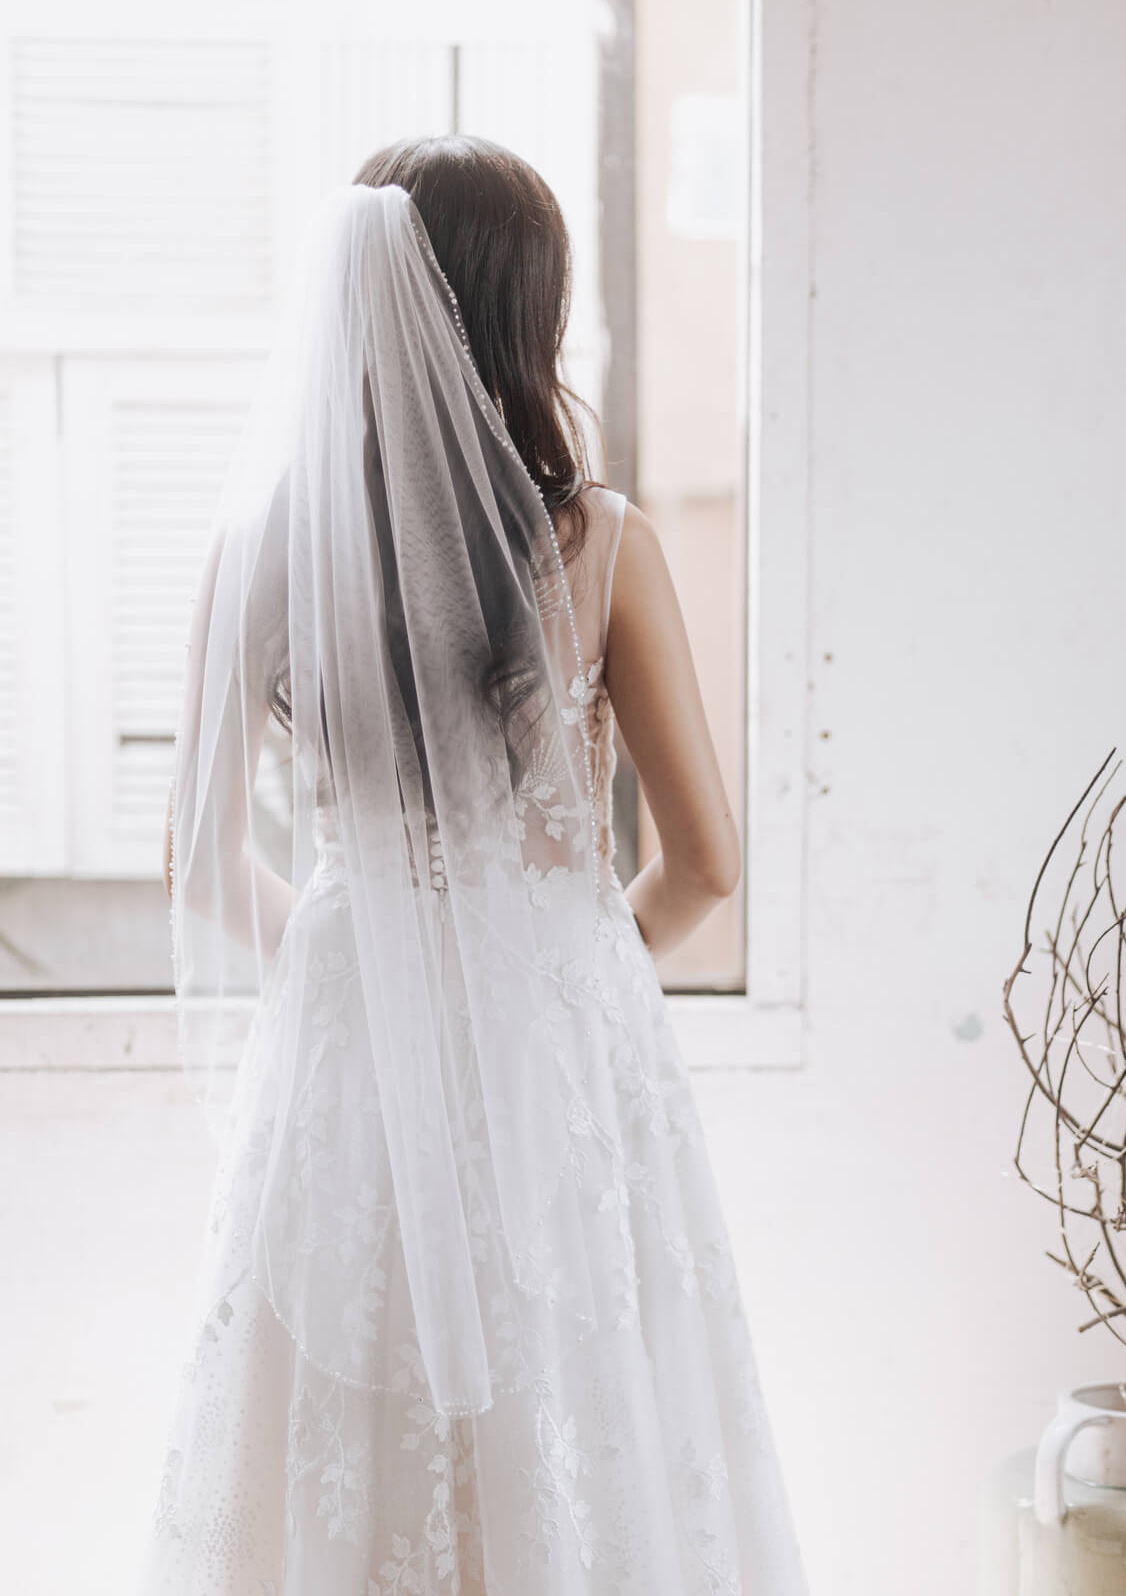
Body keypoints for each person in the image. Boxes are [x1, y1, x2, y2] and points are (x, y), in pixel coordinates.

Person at [140, 135, 808, 1595]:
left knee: (342, 1415)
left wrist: (347, 955)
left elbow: (192, 863)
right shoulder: (601, 544)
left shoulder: (263, 541)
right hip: (554, 1053)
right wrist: (566, 970)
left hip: (348, 1053)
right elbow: (703, 862)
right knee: (577, 1406)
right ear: (529, 315)